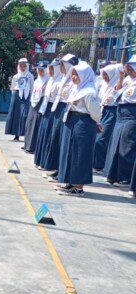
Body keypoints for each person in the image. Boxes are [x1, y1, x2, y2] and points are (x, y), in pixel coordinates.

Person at [54, 62, 102, 197]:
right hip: (72, 120)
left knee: (80, 153)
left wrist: (98, 122)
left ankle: (78, 187)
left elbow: (95, 112)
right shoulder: (77, 88)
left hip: (83, 123)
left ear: (84, 75)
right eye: (73, 74)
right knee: (69, 151)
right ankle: (70, 181)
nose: (73, 77)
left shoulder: (89, 92)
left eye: (76, 75)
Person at [43, 54, 79, 183]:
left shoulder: (72, 80)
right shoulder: (64, 78)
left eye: (63, 65)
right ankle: (58, 169)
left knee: (62, 140)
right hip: (59, 108)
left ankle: (61, 171)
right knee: (57, 139)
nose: (61, 67)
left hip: (67, 108)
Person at [104, 56, 136, 186]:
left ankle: (125, 177)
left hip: (132, 114)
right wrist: (121, 78)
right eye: (127, 67)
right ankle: (113, 174)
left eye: (131, 68)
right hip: (120, 113)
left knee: (127, 146)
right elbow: (116, 93)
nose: (128, 70)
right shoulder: (127, 80)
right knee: (115, 144)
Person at [34, 59, 62, 169]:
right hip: (46, 107)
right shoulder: (51, 80)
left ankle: (47, 162)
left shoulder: (60, 81)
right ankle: (40, 160)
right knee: (43, 133)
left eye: (52, 69)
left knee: (50, 134)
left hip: (54, 109)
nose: (50, 71)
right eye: (49, 68)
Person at [94, 63, 122, 172]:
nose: (104, 77)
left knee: (101, 138)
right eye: (103, 74)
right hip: (102, 110)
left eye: (106, 75)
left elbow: (116, 92)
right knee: (97, 137)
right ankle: (96, 162)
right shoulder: (105, 85)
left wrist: (120, 78)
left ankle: (99, 164)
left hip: (111, 112)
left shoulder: (117, 84)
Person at [23, 61, 49, 154]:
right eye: (39, 70)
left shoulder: (48, 80)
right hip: (33, 103)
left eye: (42, 70)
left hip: (41, 103)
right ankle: (28, 145)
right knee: (30, 124)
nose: (40, 72)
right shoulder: (37, 80)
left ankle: (34, 147)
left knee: (37, 125)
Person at [5, 58, 33, 141]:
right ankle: (16, 135)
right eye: (21, 66)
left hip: (26, 96)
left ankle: (25, 134)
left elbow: (32, 87)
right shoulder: (15, 76)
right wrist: (14, 96)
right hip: (16, 96)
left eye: (24, 66)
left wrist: (30, 97)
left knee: (24, 115)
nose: (22, 68)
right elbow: (13, 88)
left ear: (27, 66)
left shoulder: (30, 76)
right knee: (15, 115)